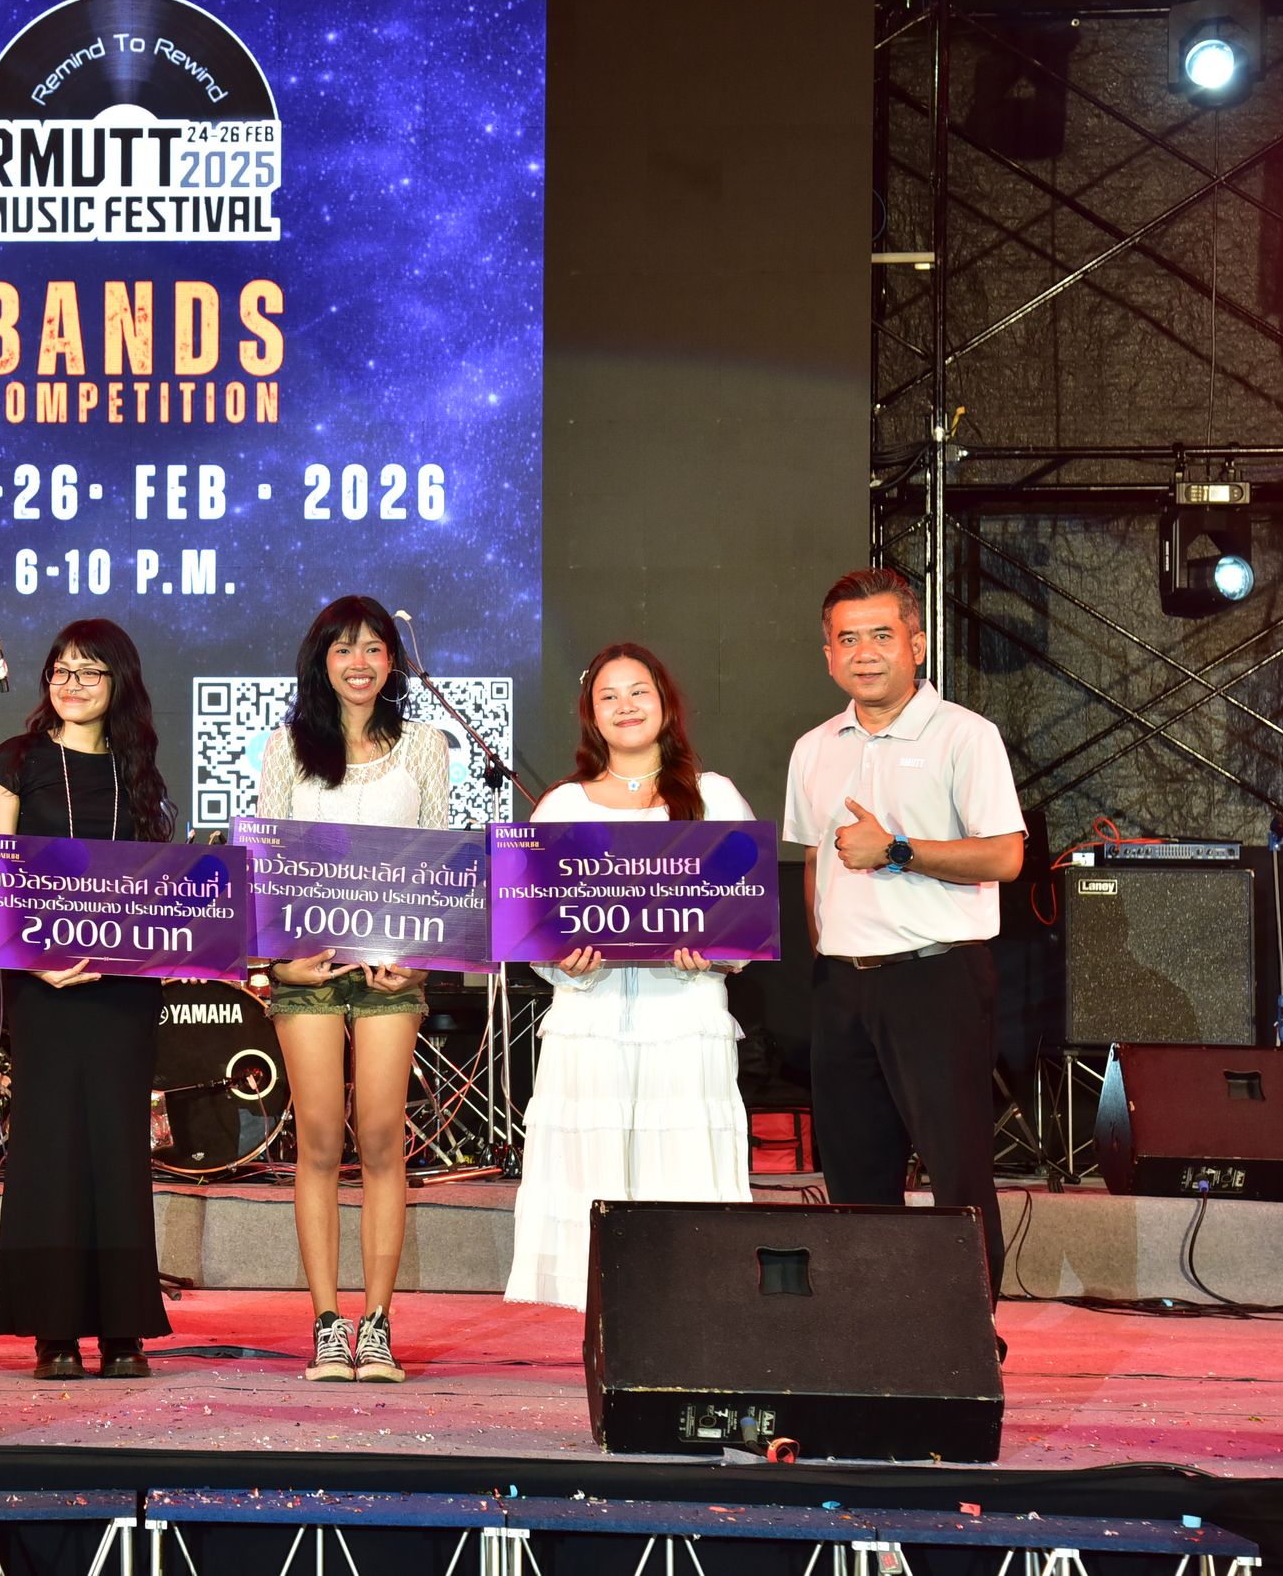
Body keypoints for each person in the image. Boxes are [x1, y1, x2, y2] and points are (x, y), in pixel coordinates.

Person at [785, 568, 1023, 1306]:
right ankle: (874, 1334)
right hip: (842, 985)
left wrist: (896, 850)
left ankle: (969, 1335)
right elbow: (815, 857)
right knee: (855, 1176)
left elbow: (1005, 857)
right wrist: (827, 945)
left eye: (881, 636)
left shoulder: (964, 735)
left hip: (934, 979)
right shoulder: (814, 747)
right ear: (828, 655)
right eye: (847, 639)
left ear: (916, 645)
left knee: (957, 1172)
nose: (864, 654)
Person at [504, 644, 754, 1310]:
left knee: (685, 1175)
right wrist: (561, 960)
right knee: (593, 1182)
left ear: (665, 702)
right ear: (591, 714)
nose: (626, 706)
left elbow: (745, 915)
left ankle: (689, 1323)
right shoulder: (561, 806)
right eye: (608, 696)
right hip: (589, 1025)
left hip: (685, 1020)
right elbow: (534, 923)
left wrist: (716, 950)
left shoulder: (713, 796)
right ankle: (608, 1332)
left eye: (638, 691)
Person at [254, 596, 451, 1384]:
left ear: (391, 661)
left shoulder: (425, 745)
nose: (359, 662)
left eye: (373, 648)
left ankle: (377, 1324)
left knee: (379, 1140)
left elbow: (438, 860)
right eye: (344, 649)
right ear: (322, 661)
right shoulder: (286, 747)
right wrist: (278, 965)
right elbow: (265, 864)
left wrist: (422, 959)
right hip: (308, 972)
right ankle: (326, 1324)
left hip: (390, 971)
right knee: (318, 1142)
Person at [0, 620, 175, 1380]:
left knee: (119, 1146)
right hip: (43, 986)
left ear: (118, 683)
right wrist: (35, 962)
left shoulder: (140, 770)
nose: (72, 684)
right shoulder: (17, 760)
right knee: (51, 1147)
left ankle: (123, 1328)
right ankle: (53, 1329)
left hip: (124, 990)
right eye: (61, 670)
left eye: (90, 672)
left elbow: (158, 888)